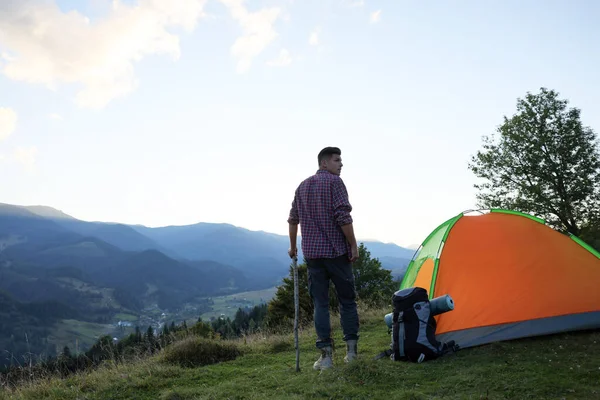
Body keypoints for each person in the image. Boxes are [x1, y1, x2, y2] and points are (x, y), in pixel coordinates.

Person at [287, 146, 360, 370]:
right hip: (336, 254)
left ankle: (326, 357)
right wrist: (353, 244)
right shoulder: (335, 183)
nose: (341, 164)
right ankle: (351, 353)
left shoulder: (302, 186)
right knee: (347, 301)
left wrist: (293, 248)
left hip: (313, 257)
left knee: (320, 304)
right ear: (324, 163)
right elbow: (343, 216)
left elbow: (292, 219)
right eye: (337, 160)